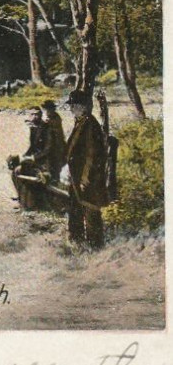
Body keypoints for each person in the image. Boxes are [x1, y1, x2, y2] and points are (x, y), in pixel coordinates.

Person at [64, 89, 110, 248]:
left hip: (88, 180)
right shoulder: (81, 122)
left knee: (91, 213)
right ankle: (77, 244)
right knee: (75, 211)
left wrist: (85, 179)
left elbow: (93, 156)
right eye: (71, 105)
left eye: (73, 105)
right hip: (77, 178)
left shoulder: (90, 125)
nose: (70, 109)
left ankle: (95, 249)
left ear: (82, 106)